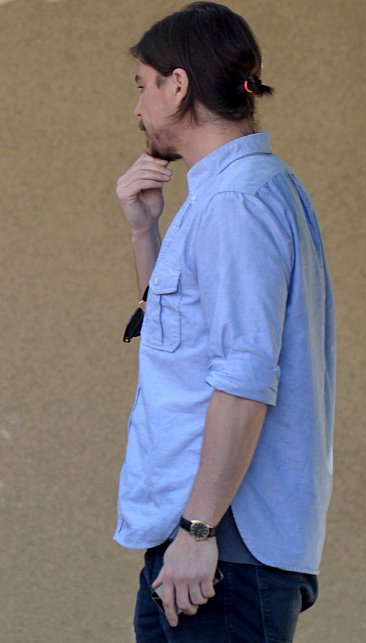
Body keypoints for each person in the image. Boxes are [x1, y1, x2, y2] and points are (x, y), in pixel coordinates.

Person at [114, 2, 336, 641]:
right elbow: (186, 337)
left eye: (143, 85)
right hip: (207, 545)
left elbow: (245, 374)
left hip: (221, 553)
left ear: (178, 86)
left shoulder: (237, 201)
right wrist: (144, 231)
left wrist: (198, 529)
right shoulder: (232, 192)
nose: (136, 108)